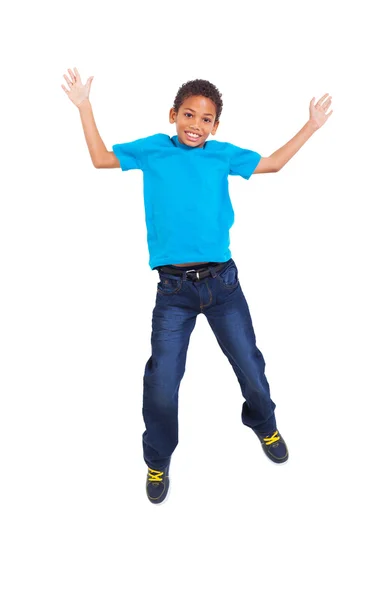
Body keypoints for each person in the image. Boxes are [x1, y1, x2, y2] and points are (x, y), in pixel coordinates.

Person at [62, 67, 333, 505]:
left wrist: (312, 126)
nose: (196, 125)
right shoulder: (153, 150)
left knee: (250, 365)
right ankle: (158, 459)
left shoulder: (222, 154)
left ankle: (263, 422)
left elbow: (274, 164)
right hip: (173, 293)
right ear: (173, 115)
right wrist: (84, 106)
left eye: (205, 119)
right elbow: (99, 158)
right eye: (188, 115)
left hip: (223, 285)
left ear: (216, 126)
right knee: (162, 382)